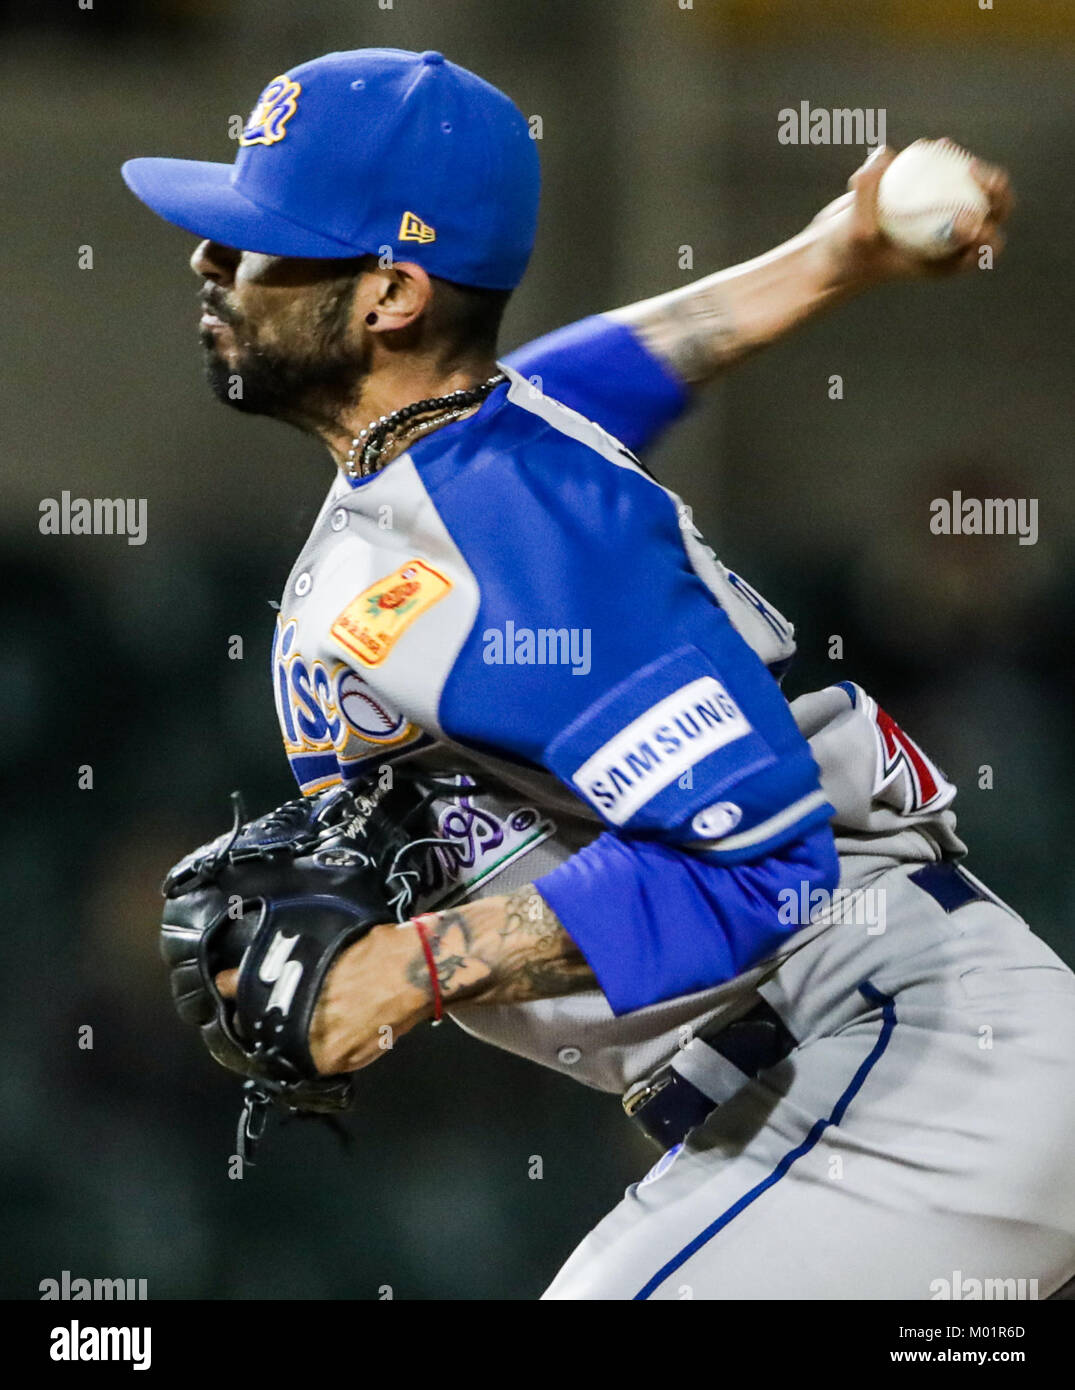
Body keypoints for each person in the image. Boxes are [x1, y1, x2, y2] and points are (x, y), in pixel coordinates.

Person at [124, 48, 1075, 1300]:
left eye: (257, 243)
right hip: (832, 1085)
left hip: (903, 1069)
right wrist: (830, 257)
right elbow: (612, 369)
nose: (210, 261)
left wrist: (416, 966)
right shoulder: (477, 446)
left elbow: (758, 856)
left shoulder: (510, 529)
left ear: (391, 294)